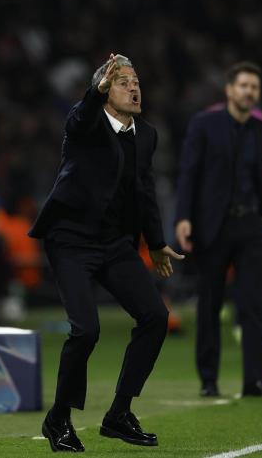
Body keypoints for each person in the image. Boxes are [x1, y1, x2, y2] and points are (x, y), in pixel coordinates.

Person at [29, 54, 184, 452]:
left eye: (136, 81)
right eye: (122, 82)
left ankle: (118, 414)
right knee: (86, 331)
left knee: (155, 317)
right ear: (104, 90)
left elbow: (145, 190)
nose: (133, 87)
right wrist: (91, 92)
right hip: (71, 240)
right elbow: (79, 116)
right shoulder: (87, 123)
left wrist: (155, 241)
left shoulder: (146, 135)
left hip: (114, 244)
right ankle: (58, 419)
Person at [175, 61, 262, 399]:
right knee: (210, 303)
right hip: (213, 226)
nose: (249, 91)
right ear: (229, 90)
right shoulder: (204, 124)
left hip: (249, 223)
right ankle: (209, 380)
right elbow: (189, 172)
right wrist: (183, 216)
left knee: (253, 304)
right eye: (243, 85)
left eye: (254, 87)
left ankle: (255, 381)